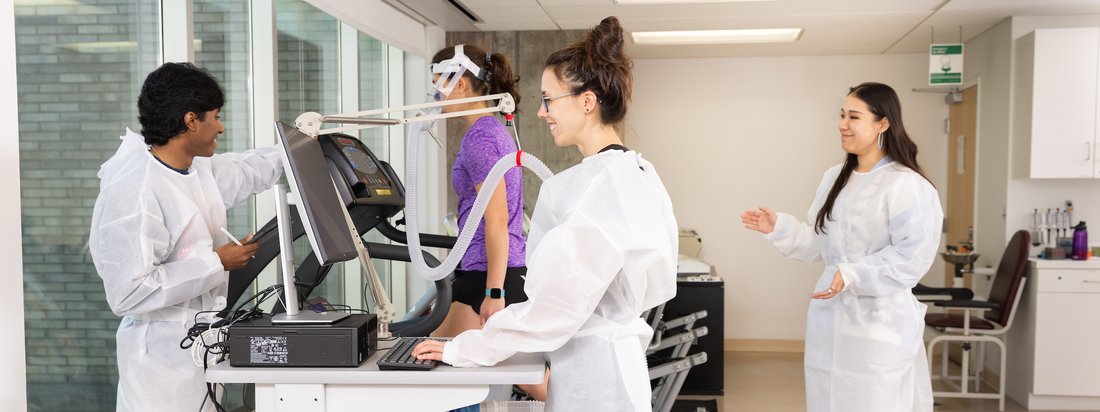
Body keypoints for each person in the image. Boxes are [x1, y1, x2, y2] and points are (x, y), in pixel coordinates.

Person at [414, 16, 678, 412]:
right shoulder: (633, 172)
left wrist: (468, 347)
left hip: (596, 381)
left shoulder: (598, 187)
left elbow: (556, 308)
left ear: (587, 101)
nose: (540, 112)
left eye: (548, 99)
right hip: (601, 365)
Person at [89, 62, 284, 412]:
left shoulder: (196, 170)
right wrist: (217, 262)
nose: (220, 128)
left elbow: (249, 169)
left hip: (201, 352)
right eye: (215, 117)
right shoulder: (134, 191)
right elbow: (128, 292)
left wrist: (301, 143)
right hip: (158, 369)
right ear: (191, 120)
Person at [741, 82, 941, 411]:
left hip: (878, 323)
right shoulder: (836, 177)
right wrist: (780, 228)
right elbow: (822, 244)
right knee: (828, 397)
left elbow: (911, 258)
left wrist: (854, 275)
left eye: (854, 116)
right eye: (841, 115)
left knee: (874, 400)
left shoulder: (907, 185)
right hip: (831, 320)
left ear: (883, 123)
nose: (842, 124)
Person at [428, 44, 529, 336]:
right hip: (491, 269)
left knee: (429, 357)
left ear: (459, 85)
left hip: (488, 273)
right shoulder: (490, 131)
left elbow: (496, 219)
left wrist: (494, 293)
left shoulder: (480, 140)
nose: (436, 99)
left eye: (438, 90)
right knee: (520, 375)